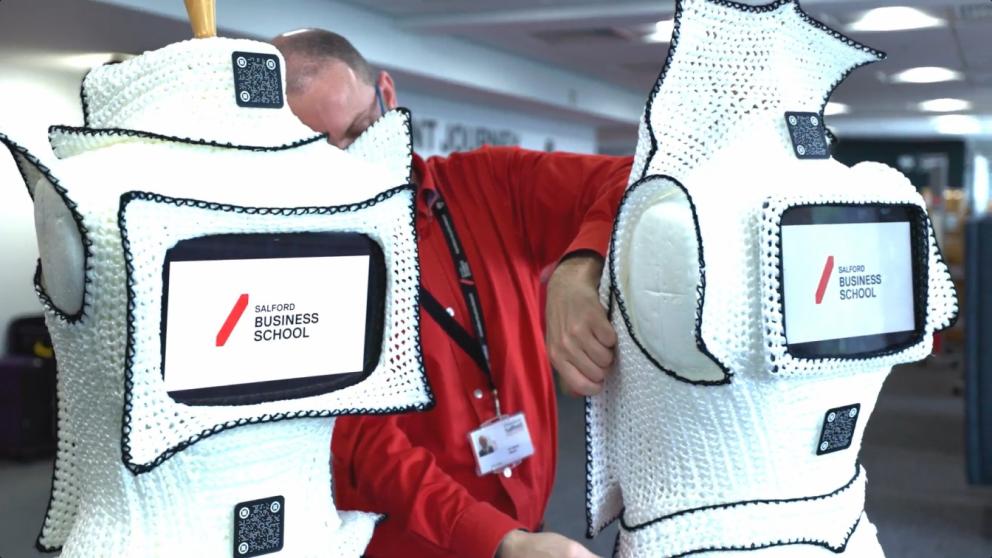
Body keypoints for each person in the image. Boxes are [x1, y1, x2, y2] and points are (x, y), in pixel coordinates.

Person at [272, 29, 627, 558]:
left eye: (361, 130)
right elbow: (355, 444)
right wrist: (498, 540)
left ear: (388, 96)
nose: (348, 160)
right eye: (321, 148)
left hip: (533, 530)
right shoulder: (291, 258)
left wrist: (580, 268)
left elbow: (633, 180)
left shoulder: (490, 185)